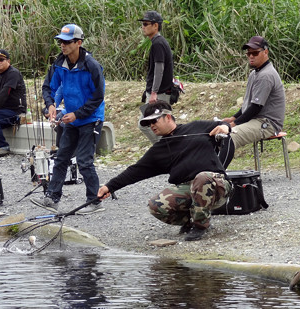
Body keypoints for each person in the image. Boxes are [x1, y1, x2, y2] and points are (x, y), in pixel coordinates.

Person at [97, 101, 233, 241]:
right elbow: (134, 171)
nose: (151, 126)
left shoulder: (196, 126)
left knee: (202, 177)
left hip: (217, 185)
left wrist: (224, 127)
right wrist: (109, 187)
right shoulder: (158, 150)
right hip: (189, 188)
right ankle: (192, 220)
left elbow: (224, 125)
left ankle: (200, 226)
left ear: (167, 117)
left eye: (154, 121)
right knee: (155, 205)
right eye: (148, 124)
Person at [31, 24, 105, 215]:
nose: (62, 45)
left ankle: (95, 202)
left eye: (66, 42)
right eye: (60, 42)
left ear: (78, 43)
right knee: (62, 157)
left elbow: (98, 97)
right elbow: (49, 88)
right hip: (71, 118)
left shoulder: (92, 66)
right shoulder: (59, 63)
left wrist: (78, 114)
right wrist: (51, 105)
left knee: (84, 160)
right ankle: (52, 198)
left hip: (91, 118)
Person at [217, 36, 285, 168]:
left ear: (266, 52)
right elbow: (248, 105)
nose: (251, 56)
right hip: (255, 119)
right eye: (248, 53)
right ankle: (204, 171)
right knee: (216, 130)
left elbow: (255, 108)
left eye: (255, 53)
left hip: (267, 122)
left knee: (229, 136)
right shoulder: (254, 74)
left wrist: (233, 124)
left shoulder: (266, 75)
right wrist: (232, 118)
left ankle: (215, 176)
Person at [138, 10, 174, 144]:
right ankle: (167, 150)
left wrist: (154, 92)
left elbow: (159, 69)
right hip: (160, 92)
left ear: (155, 26)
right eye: (142, 24)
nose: (143, 27)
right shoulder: (158, 42)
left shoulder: (158, 44)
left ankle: (164, 149)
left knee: (144, 124)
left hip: (159, 94)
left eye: (146, 24)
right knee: (161, 125)